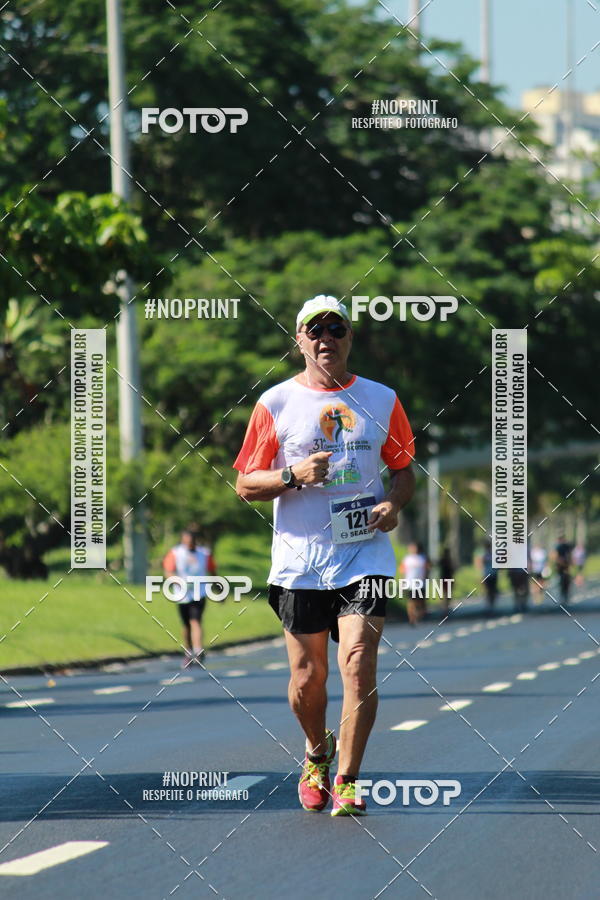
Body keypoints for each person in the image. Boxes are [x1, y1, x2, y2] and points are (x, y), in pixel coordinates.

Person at [233, 294, 415, 817]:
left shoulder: (381, 400)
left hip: (365, 555)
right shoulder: (276, 403)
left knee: (357, 664)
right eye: (314, 331)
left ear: (349, 337)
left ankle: (349, 779)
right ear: (299, 341)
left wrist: (393, 503)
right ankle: (316, 750)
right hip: (299, 561)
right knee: (308, 678)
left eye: (335, 329)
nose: (325, 339)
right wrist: (292, 475)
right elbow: (245, 482)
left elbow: (403, 467)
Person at [163, 529, 216, 667]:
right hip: (182, 595)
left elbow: (213, 571)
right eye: (187, 541)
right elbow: (168, 572)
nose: (189, 544)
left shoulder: (204, 553)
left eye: (192, 541)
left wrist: (218, 589)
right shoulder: (175, 553)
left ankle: (198, 651)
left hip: (200, 593)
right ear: (182, 541)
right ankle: (188, 651)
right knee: (186, 624)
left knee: (195, 621)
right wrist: (179, 582)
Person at [400, 542, 429, 625]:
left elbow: (427, 569)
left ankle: (419, 615)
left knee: (419, 601)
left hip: (421, 583)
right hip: (410, 583)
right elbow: (403, 571)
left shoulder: (423, 558)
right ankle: (411, 618)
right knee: (411, 601)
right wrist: (403, 581)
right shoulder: (407, 559)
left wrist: (426, 579)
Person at [477, 540, 498, 615]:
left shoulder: (494, 554)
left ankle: (492, 607)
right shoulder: (483, 555)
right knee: (487, 591)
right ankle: (488, 607)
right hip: (487, 575)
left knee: (493, 591)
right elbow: (480, 565)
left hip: (493, 574)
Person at [553, 536, 573, 605]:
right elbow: (556, 557)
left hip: (566, 568)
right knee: (561, 582)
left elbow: (570, 556)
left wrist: (569, 564)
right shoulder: (558, 547)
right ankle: (562, 596)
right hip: (561, 568)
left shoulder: (567, 547)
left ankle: (566, 596)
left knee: (567, 583)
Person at [439, 546, 455, 616]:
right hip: (448, 578)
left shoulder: (443, 560)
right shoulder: (449, 560)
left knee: (445, 594)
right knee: (447, 594)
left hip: (444, 578)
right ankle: (445, 608)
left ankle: (445, 608)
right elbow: (453, 570)